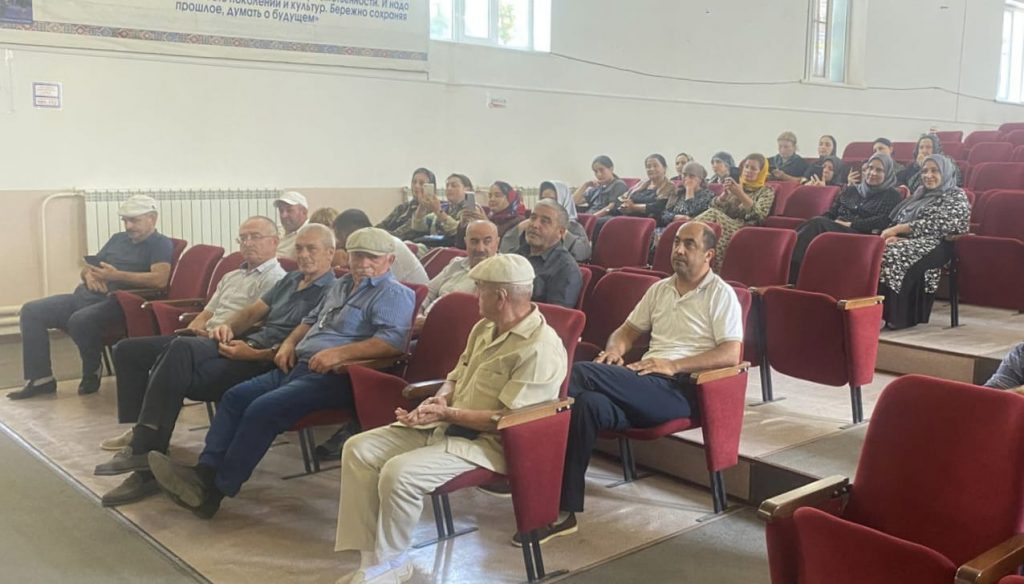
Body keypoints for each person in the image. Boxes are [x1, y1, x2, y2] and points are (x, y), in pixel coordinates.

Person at [148, 227, 416, 518]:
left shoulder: (395, 294)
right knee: (235, 396)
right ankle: (204, 471)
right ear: (347, 257)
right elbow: (309, 320)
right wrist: (289, 344)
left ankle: (214, 492)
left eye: (372, 257)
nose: (363, 263)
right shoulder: (341, 284)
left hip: (340, 376)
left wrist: (339, 354)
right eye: (357, 256)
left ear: (390, 260)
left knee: (263, 408)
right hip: (300, 364)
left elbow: (391, 344)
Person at [334, 254, 566, 584]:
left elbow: (506, 420)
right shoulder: (485, 327)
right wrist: (439, 399)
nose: (475, 296)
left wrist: (447, 412)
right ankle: (374, 560)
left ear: (501, 297)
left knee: (400, 473)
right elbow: (455, 376)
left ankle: (393, 561)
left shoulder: (541, 347)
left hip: (489, 444)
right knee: (358, 449)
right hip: (448, 425)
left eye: (480, 289)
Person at [529, 222, 742, 543]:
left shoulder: (721, 294)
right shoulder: (660, 289)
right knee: (587, 405)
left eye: (689, 244)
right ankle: (563, 510)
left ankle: (511, 450)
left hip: (683, 389)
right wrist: (615, 349)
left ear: (709, 255)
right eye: (676, 242)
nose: (678, 250)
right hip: (645, 382)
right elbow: (627, 330)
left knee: (580, 373)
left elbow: (731, 353)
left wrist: (673, 365)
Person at [95, 224, 335, 507]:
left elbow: (302, 344)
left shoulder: (331, 290)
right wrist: (228, 327)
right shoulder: (292, 279)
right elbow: (252, 312)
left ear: (330, 253)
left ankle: (143, 451)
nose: (303, 255)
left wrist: (254, 353)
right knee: (174, 355)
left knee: (177, 360)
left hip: (263, 359)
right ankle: (145, 454)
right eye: (300, 248)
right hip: (244, 344)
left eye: (312, 249)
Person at [10, 195, 174, 400]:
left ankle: (92, 369)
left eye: (134, 220)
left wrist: (116, 276)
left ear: (152, 218)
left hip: (119, 302)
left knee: (80, 320)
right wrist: (88, 275)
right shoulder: (118, 239)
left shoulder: (160, 244)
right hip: (86, 295)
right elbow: (89, 267)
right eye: (125, 220)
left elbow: (159, 280)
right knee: (31, 311)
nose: (128, 226)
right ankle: (40, 379)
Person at [879, 154, 970, 330]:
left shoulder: (956, 195)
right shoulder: (919, 195)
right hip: (911, 240)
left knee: (892, 255)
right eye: (925, 171)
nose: (928, 175)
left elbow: (943, 224)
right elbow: (899, 218)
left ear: (946, 172)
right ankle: (873, 311)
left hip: (939, 244)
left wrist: (900, 229)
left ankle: (895, 316)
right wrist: (897, 236)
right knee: (877, 251)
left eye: (935, 171)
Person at [789, 153, 903, 283]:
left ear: (887, 173)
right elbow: (832, 212)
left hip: (861, 236)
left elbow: (883, 221)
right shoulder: (851, 190)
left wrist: (851, 224)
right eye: (870, 168)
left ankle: (788, 269)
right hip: (836, 228)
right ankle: (791, 267)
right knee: (814, 222)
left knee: (817, 224)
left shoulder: (892, 195)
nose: (872, 173)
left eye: (879, 170)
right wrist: (823, 219)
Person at [694, 153, 776, 270]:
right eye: (746, 167)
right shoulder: (737, 186)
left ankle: (714, 269)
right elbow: (716, 208)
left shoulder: (766, 191)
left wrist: (740, 194)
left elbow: (759, 216)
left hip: (747, 228)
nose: (748, 171)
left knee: (713, 215)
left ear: (761, 172)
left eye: (753, 169)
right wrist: (723, 196)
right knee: (711, 222)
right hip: (726, 223)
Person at [420, 220, 500, 320]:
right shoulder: (456, 264)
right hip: (425, 320)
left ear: (497, 243)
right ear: (466, 242)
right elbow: (428, 292)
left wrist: (429, 321)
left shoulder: (502, 273)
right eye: (474, 241)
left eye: (487, 242)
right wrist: (418, 313)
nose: (480, 249)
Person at [512, 199, 583, 308]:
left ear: (560, 232)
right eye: (533, 218)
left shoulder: (566, 269)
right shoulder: (519, 253)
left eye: (544, 221)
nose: (534, 225)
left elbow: (556, 315)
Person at [500, 180, 593, 262]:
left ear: (563, 199)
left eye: (552, 200)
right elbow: (505, 249)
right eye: (543, 199)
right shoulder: (532, 224)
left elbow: (584, 253)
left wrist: (560, 231)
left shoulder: (573, 226)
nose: (547, 203)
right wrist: (520, 228)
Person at [591, 154, 675, 243]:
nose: (651, 169)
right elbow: (622, 199)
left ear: (664, 168)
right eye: (648, 166)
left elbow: (657, 207)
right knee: (598, 222)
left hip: (646, 220)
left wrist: (633, 207)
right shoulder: (642, 184)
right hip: (628, 216)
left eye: (655, 165)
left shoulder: (669, 187)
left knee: (602, 223)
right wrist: (623, 206)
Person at [333, 209, 428, 285]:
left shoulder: (385, 247)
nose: (339, 243)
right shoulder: (377, 242)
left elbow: (369, 284)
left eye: (339, 236)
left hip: (413, 299)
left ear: (352, 233)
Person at [410, 174, 472, 248]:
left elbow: (460, 231)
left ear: (467, 190)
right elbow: (418, 228)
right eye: (447, 186)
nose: (449, 188)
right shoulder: (444, 207)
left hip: (453, 249)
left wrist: (438, 211)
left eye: (454, 186)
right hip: (433, 246)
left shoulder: (471, 209)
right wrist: (422, 206)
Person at [650, 161, 715, 228]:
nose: (687, 178)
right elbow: (664, 214)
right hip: (671, 227)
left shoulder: (707, 195)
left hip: (692, 229)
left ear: (700, 179)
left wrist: (689, 190)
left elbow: (690, 213)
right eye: (684, 175)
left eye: (691, 176)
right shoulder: (678, 192)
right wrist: (673, 217)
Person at [377, 168, 435, 241]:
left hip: (406, 244)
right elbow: (382, 225)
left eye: (421, 183)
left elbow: (399, 235)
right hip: (388, 241)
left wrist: (377, 234)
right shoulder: (402, 208)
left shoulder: (431, 211)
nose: (416, 186)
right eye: (414, 182)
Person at [459, 181, 526, 241]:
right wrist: (464, 225)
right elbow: (461, 243)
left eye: (497, 195)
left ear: (510, 198)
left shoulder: (519, 220)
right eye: (490, 196)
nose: (492, 199)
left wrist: (486, 223)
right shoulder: (490, 216)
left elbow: (504, 243)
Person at [897, 134, 962, 191]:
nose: (924, 151)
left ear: (936, 148)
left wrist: (923, 166)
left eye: (928, 147)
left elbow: (950, 183)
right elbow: (900, 180)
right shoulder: (913, 164)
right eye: (921, 147)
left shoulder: (946, 163)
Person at [274, 191, 310, 260]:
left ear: (304, 212)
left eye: (289, 210)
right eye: (281, 211)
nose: (283, 215)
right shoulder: (278, 231)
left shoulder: (309, 234)